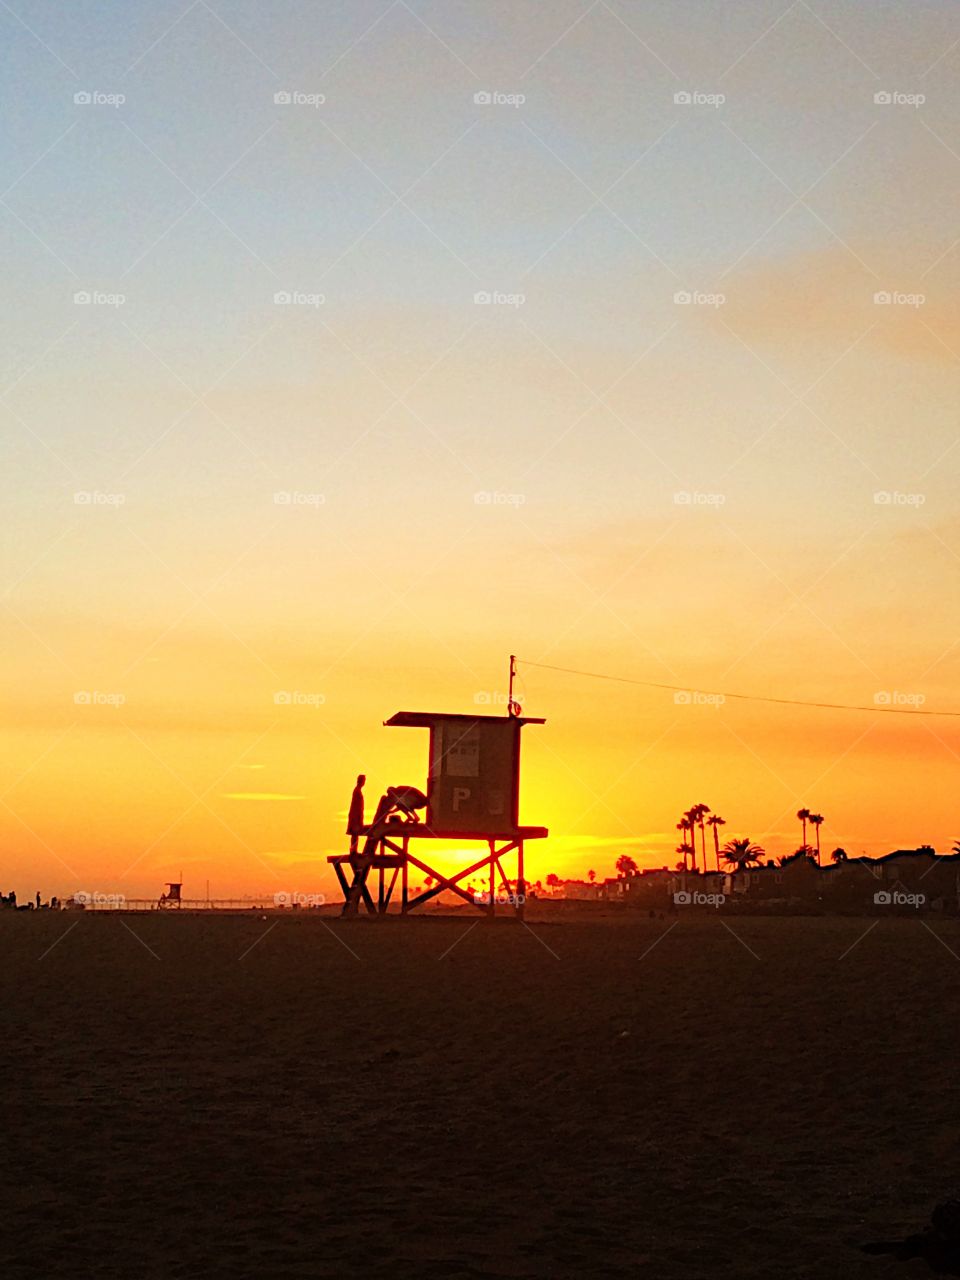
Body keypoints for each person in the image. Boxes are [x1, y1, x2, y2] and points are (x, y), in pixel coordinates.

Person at [347, 774, 366, 854]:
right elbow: (356, 806)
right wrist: (358, 817)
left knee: (355, 834)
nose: (364, 782)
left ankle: (353, 850)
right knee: (355, 833)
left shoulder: (357, 790)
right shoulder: (357, 791)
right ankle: (353, 850)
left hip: (356, 815)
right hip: (355, 816)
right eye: (364, 780)